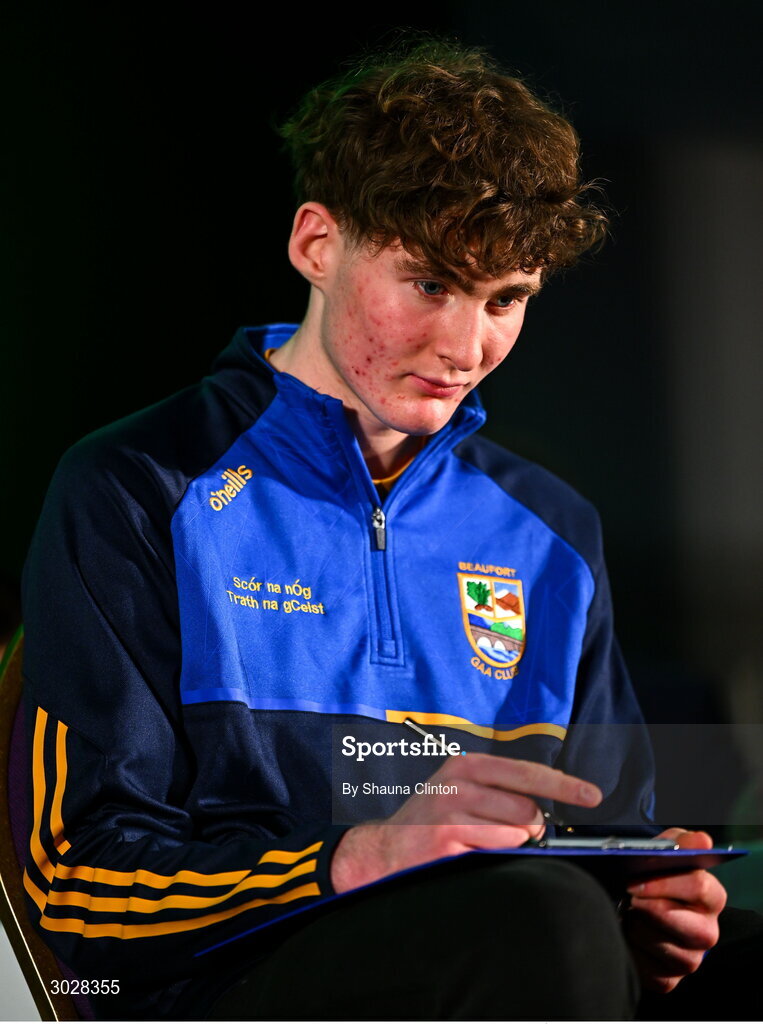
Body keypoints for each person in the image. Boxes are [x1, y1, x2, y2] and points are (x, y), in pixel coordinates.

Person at [21, 40, 737, 1021]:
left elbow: (608, 840)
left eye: (505, 300)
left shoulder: (552, 533)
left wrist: (652, 907)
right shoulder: (138, 486)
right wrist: (357, 857)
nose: (465, 347)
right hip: (216, 985)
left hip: (513, 954)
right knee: (543, 926)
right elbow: (76, 889)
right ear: (317, 245)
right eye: (431, 285)